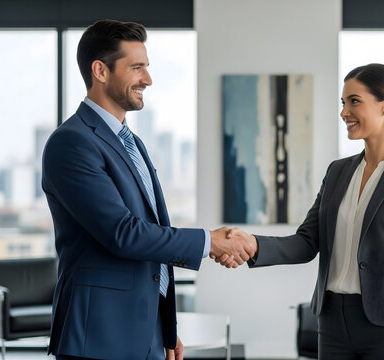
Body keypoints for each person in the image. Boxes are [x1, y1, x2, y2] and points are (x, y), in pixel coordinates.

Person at [42, 19, 253, 360]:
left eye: (147, 68)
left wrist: (162, 328)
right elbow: (122, 233)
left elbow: (150, 232)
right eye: (137, 68)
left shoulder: (132, 142)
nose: (148, 79)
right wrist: (209, 241)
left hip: (144, 330)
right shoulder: (71, 142)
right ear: (100, 70)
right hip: (99, 337)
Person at [217, 64, 384, 360]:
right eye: (343, 102)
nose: (344, 113)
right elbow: (306, 242)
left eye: (354, 101)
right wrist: (252, 244)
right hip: (332, 324)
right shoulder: (338, 171)